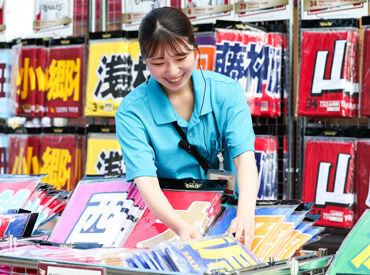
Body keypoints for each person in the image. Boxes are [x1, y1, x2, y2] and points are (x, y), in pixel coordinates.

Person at [115, 7, 258, 247]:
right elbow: (146, 181)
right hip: (160, 217)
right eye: (158, 62)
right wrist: (179, 226)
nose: (172, 72)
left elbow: (244, 158)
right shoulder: (131, 111)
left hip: (219, 210)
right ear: (145, 61)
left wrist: (245, 214)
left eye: (181, 58)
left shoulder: (227, 92)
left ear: (195, 47)